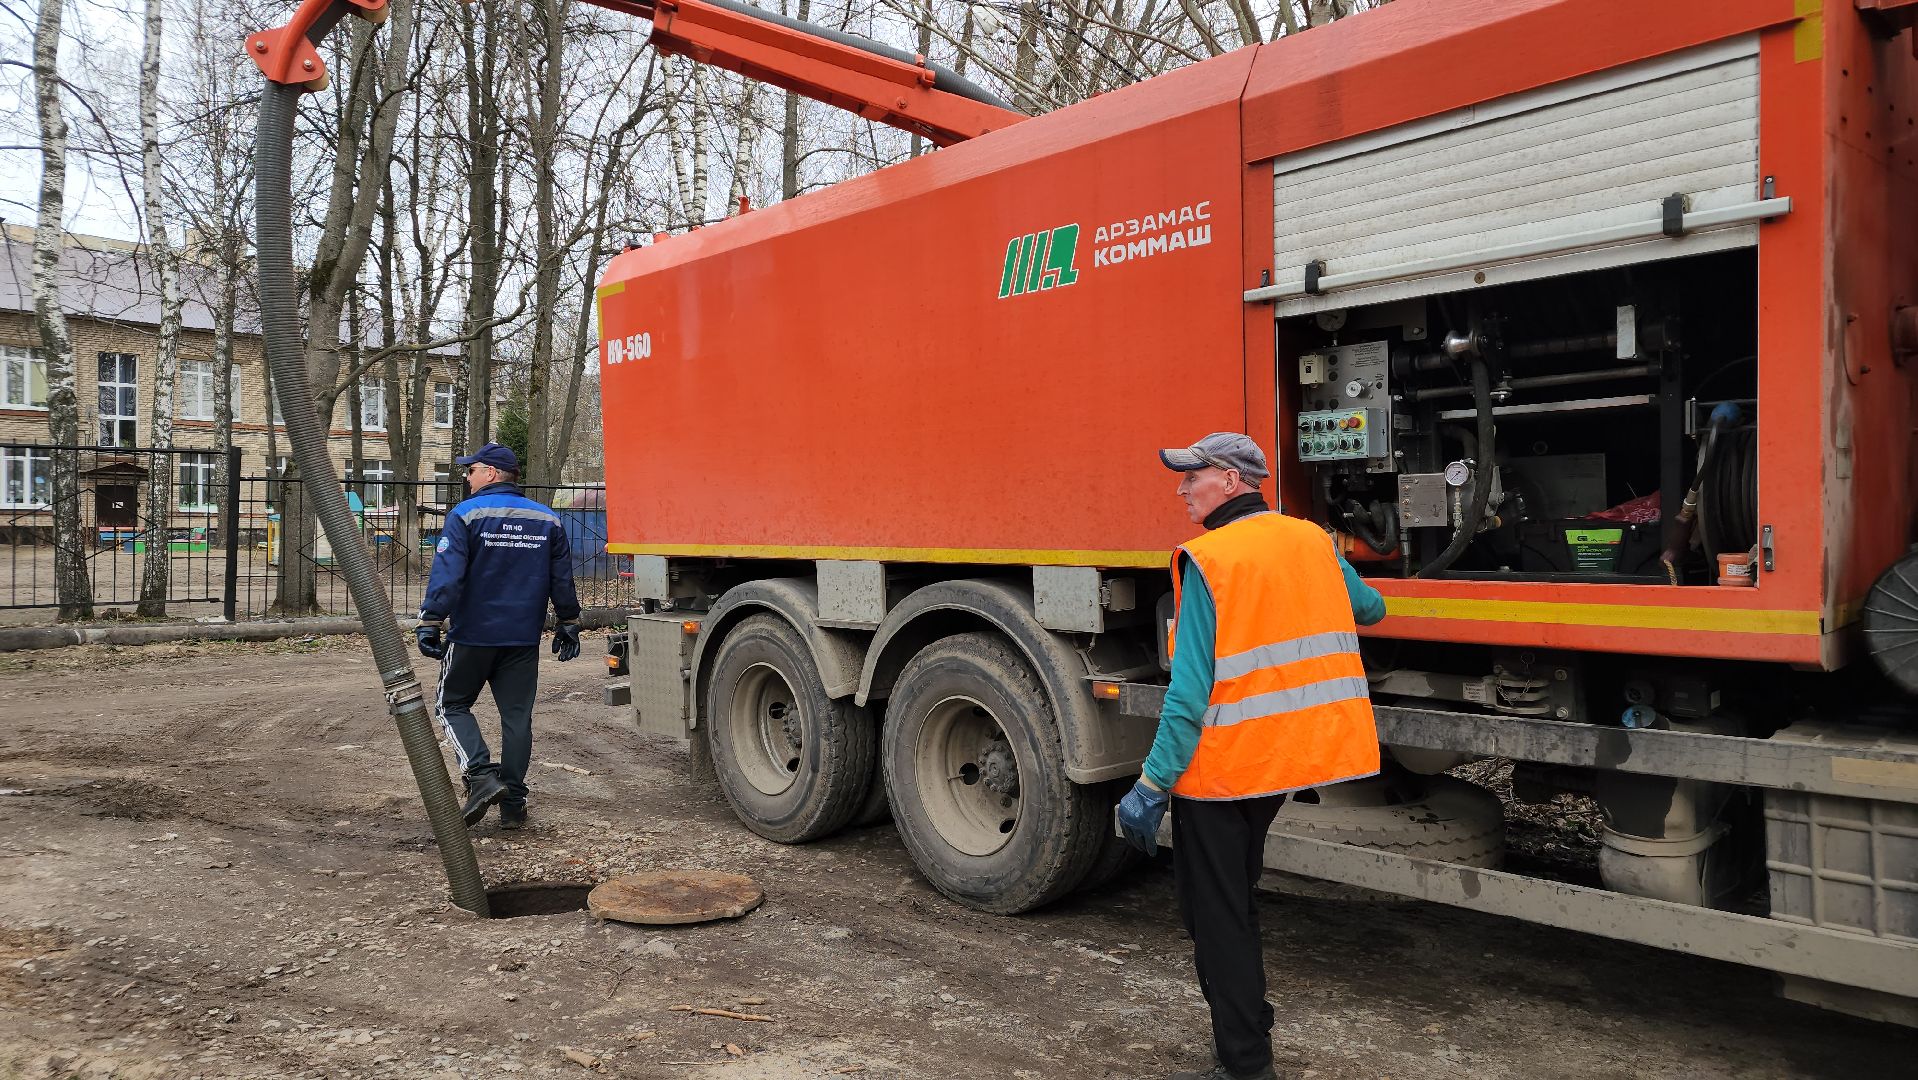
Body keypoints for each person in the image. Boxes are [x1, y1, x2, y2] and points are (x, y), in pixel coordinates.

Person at [1118, 431, 1385, 1080]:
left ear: (1232, 482)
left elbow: (1188, 694)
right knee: (1233, 901)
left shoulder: (1210, 558)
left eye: (1193, 477)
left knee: (1216, 920)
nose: (1182, 489)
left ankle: (1245, 1063)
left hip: (1221, 770)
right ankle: (1250, 1024)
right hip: (1284, 763)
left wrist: (1152, 784)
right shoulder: (1311, 540)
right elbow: (1370, 609)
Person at [415, 442, 583, 830]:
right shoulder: (548, 520)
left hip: (473, 633)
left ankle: (479, 775)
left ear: (490, 473)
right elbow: (562, 576)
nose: (467, 478)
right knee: (517, 718)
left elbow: (448, 573)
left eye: (470, 470)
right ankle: (513, 805)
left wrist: (430, 620)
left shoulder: (465, 515)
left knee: (451, 704)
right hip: (522, 637)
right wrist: (569, 621)